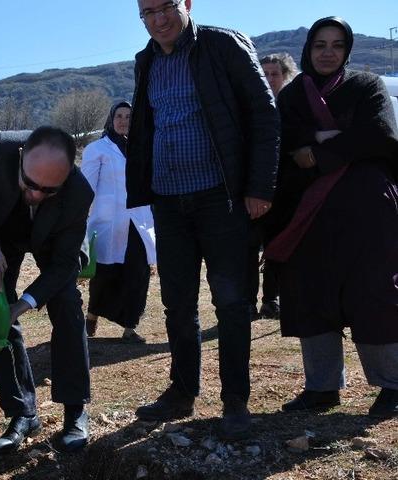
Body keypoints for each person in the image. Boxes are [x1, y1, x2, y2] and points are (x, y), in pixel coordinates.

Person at [126, 0, 280, 440]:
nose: (158, 19)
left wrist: (259, 187)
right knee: (177, 304)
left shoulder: (222, 45)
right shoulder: (146, 61)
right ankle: (182, 390)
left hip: (222, 198)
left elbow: (264, 115)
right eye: (147, 12)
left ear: (187, 4)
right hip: (168, 201)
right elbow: (147, 128)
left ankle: (235, 400)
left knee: (232, 302)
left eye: (166, 7)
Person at [264, 16, 398, 419]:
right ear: (308, 49)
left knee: (373, 292)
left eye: (336, 45)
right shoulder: (290, 98)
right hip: (308, 213)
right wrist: (342, 141)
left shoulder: (366, 86)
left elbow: (380, 136)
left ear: (347, 51)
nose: (327, 52)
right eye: (320, 44)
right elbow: (284, 145)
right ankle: (321, 388)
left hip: (367, 210)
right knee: (309, 294)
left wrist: (318, 152)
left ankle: (393, 385)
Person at [0, 126, 94, 453]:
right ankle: (22, 414)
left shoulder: (79, 192)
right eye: (31, 184)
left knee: (67, 305)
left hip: (53, 240)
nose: (37, 194)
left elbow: (65, 263)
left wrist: (22, 305)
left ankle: (76, 411)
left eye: (49, 190)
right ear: (22, 156)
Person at [81, 101, 156, 342]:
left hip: (139, 220)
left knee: (138, 271)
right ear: (111, 119)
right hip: (108, 222)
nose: (124, 120)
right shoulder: (97, 149)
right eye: (119, 116)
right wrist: (79, 216)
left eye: (129, 116)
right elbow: (86, 187)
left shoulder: (143, 147)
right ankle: (92, 316)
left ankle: (129, 327)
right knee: (105, 273)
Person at [247, 52, 299, 320]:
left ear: (286, 76)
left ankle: (271, 299)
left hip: (285, 191)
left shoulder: (294, 109)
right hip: (252, 191)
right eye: (263, 74)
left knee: (277, 247)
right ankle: (247, 303)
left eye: (274, 74)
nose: (268, 79)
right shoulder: (249, 109)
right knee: (248, 248)